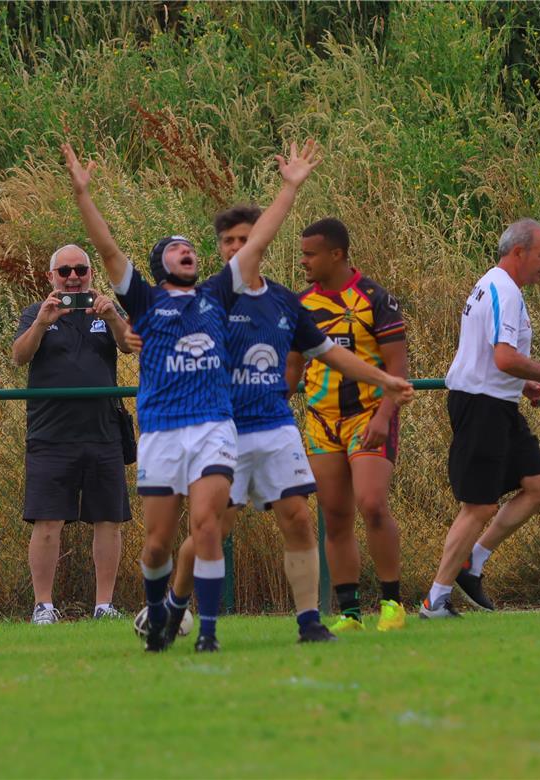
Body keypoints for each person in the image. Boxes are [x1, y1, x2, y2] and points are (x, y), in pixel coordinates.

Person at [64, 139, 320, 653]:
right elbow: (109, 249)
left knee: (206, 527)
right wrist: (83, 195)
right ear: (161, 262)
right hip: (161, 429)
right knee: (157, 543)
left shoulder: (214, 295)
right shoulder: (143, 298)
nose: (189, 251)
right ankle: (159, 611)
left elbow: (259, 240)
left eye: (191, 247)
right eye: (177, 247)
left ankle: (207, 633)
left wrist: (289, 187)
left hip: (212, 426)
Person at [161, 208, 414, 644]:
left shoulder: (283, 301)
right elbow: (162, 328)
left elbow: (324, 351)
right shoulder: (207, 299)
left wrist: (384, 381)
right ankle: (175, 601)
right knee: (212, 529)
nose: (238, 248)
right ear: (219, 248)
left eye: (246, 239)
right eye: (229, 241)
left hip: (276, 425)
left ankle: (310, 621)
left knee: (298, 518)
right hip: (225, 430)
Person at [421, 219, 540, 618]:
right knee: (479, 507)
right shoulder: (503, 288)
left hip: (499, 402)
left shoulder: (495, 285)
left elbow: (492, 358)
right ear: (518, 252)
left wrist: (526, 386)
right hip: (482, 405)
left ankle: (475, 561)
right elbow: (504, 356)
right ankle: (435, 600)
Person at [288, 218, 410, 632]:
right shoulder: (301, 305)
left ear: (336, 254)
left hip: (368, 416)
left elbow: (397, 369)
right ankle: (350, 612)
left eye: (310, 254)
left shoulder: (375, 298)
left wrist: (382, 417)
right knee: (335, 516)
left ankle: (392, 604)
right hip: (321, 421)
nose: (303, 261)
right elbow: (291, 372)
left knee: (373, 504)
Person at [12, 243, 136, 624]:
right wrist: (43, 323)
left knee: (108, 520)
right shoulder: (36, 312)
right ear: (51, 276)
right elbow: (19, 356)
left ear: (90, 273)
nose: (72, 277)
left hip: (102, 432)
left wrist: (113, 316)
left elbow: (130, 346)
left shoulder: (106, 308)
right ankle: (44, 606)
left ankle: (104, 605)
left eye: (80, 270)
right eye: (64, 271)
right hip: (51, 434)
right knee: (47, 521)